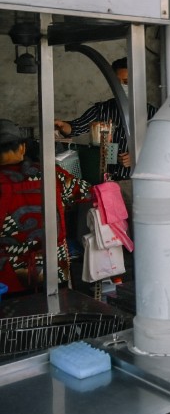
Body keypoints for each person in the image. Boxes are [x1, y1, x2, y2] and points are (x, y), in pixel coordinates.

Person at [0, 119, 92, 292]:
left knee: (12, 318)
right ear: (22, 147)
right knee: (55, 315)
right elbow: (86, 192)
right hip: (53, 271)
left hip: (7, 278)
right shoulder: (49, 173)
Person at [54, 58, 157, 182]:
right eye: (117, 83)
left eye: (126, 82)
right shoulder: (103, 109)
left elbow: (161, 146)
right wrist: (62, 125)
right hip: (107, 180)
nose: (121, 87)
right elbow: (76, 127)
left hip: (137, 181)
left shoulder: (151, 114)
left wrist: (138, 156)